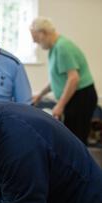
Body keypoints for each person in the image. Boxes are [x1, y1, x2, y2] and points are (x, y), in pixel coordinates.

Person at [30, 17, 98, 145]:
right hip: (75, 96)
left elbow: (73, 79)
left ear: (43, 33)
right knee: (73, 137)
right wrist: (39, 96)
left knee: (76, 140)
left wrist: (60, 105)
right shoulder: (54, 49)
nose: (36, 43)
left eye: (36, 40)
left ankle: (79, 165)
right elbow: (57, 80)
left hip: (81, 97)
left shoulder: (63, 47)